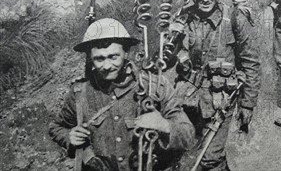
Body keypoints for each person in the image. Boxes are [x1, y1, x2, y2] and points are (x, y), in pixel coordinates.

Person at [49, 18, 195, 171]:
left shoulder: (155, 87)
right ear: (90, 59)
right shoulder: (80, 93)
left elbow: (188, 136)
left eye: (113, 57)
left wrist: (164, 125)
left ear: (126, 53)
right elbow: (57, 127)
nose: (106, 66)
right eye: (99, 59)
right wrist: (69, 137)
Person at [168, 0, 261, 170]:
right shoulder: (185, 19)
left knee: (209, 156)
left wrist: (247, 104)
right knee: (187, 150)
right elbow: (167, 61)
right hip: (189, 97)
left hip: (220, 98)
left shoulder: (235, 19)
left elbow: (251, 62)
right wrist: (171, 38)